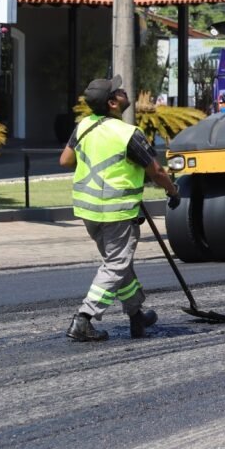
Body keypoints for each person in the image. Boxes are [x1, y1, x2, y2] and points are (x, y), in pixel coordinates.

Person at [59, 75, 181, 342]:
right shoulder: (129, 134)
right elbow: (158, 171)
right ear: (113, 103)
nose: (125, 91)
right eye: (120, 91)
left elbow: (66, 159)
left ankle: (136, 316)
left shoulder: (83, 126)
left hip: (88, 210)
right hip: (117, 210)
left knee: (119, 264)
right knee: (116, 264)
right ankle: (84, 318)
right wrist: (173, 191)